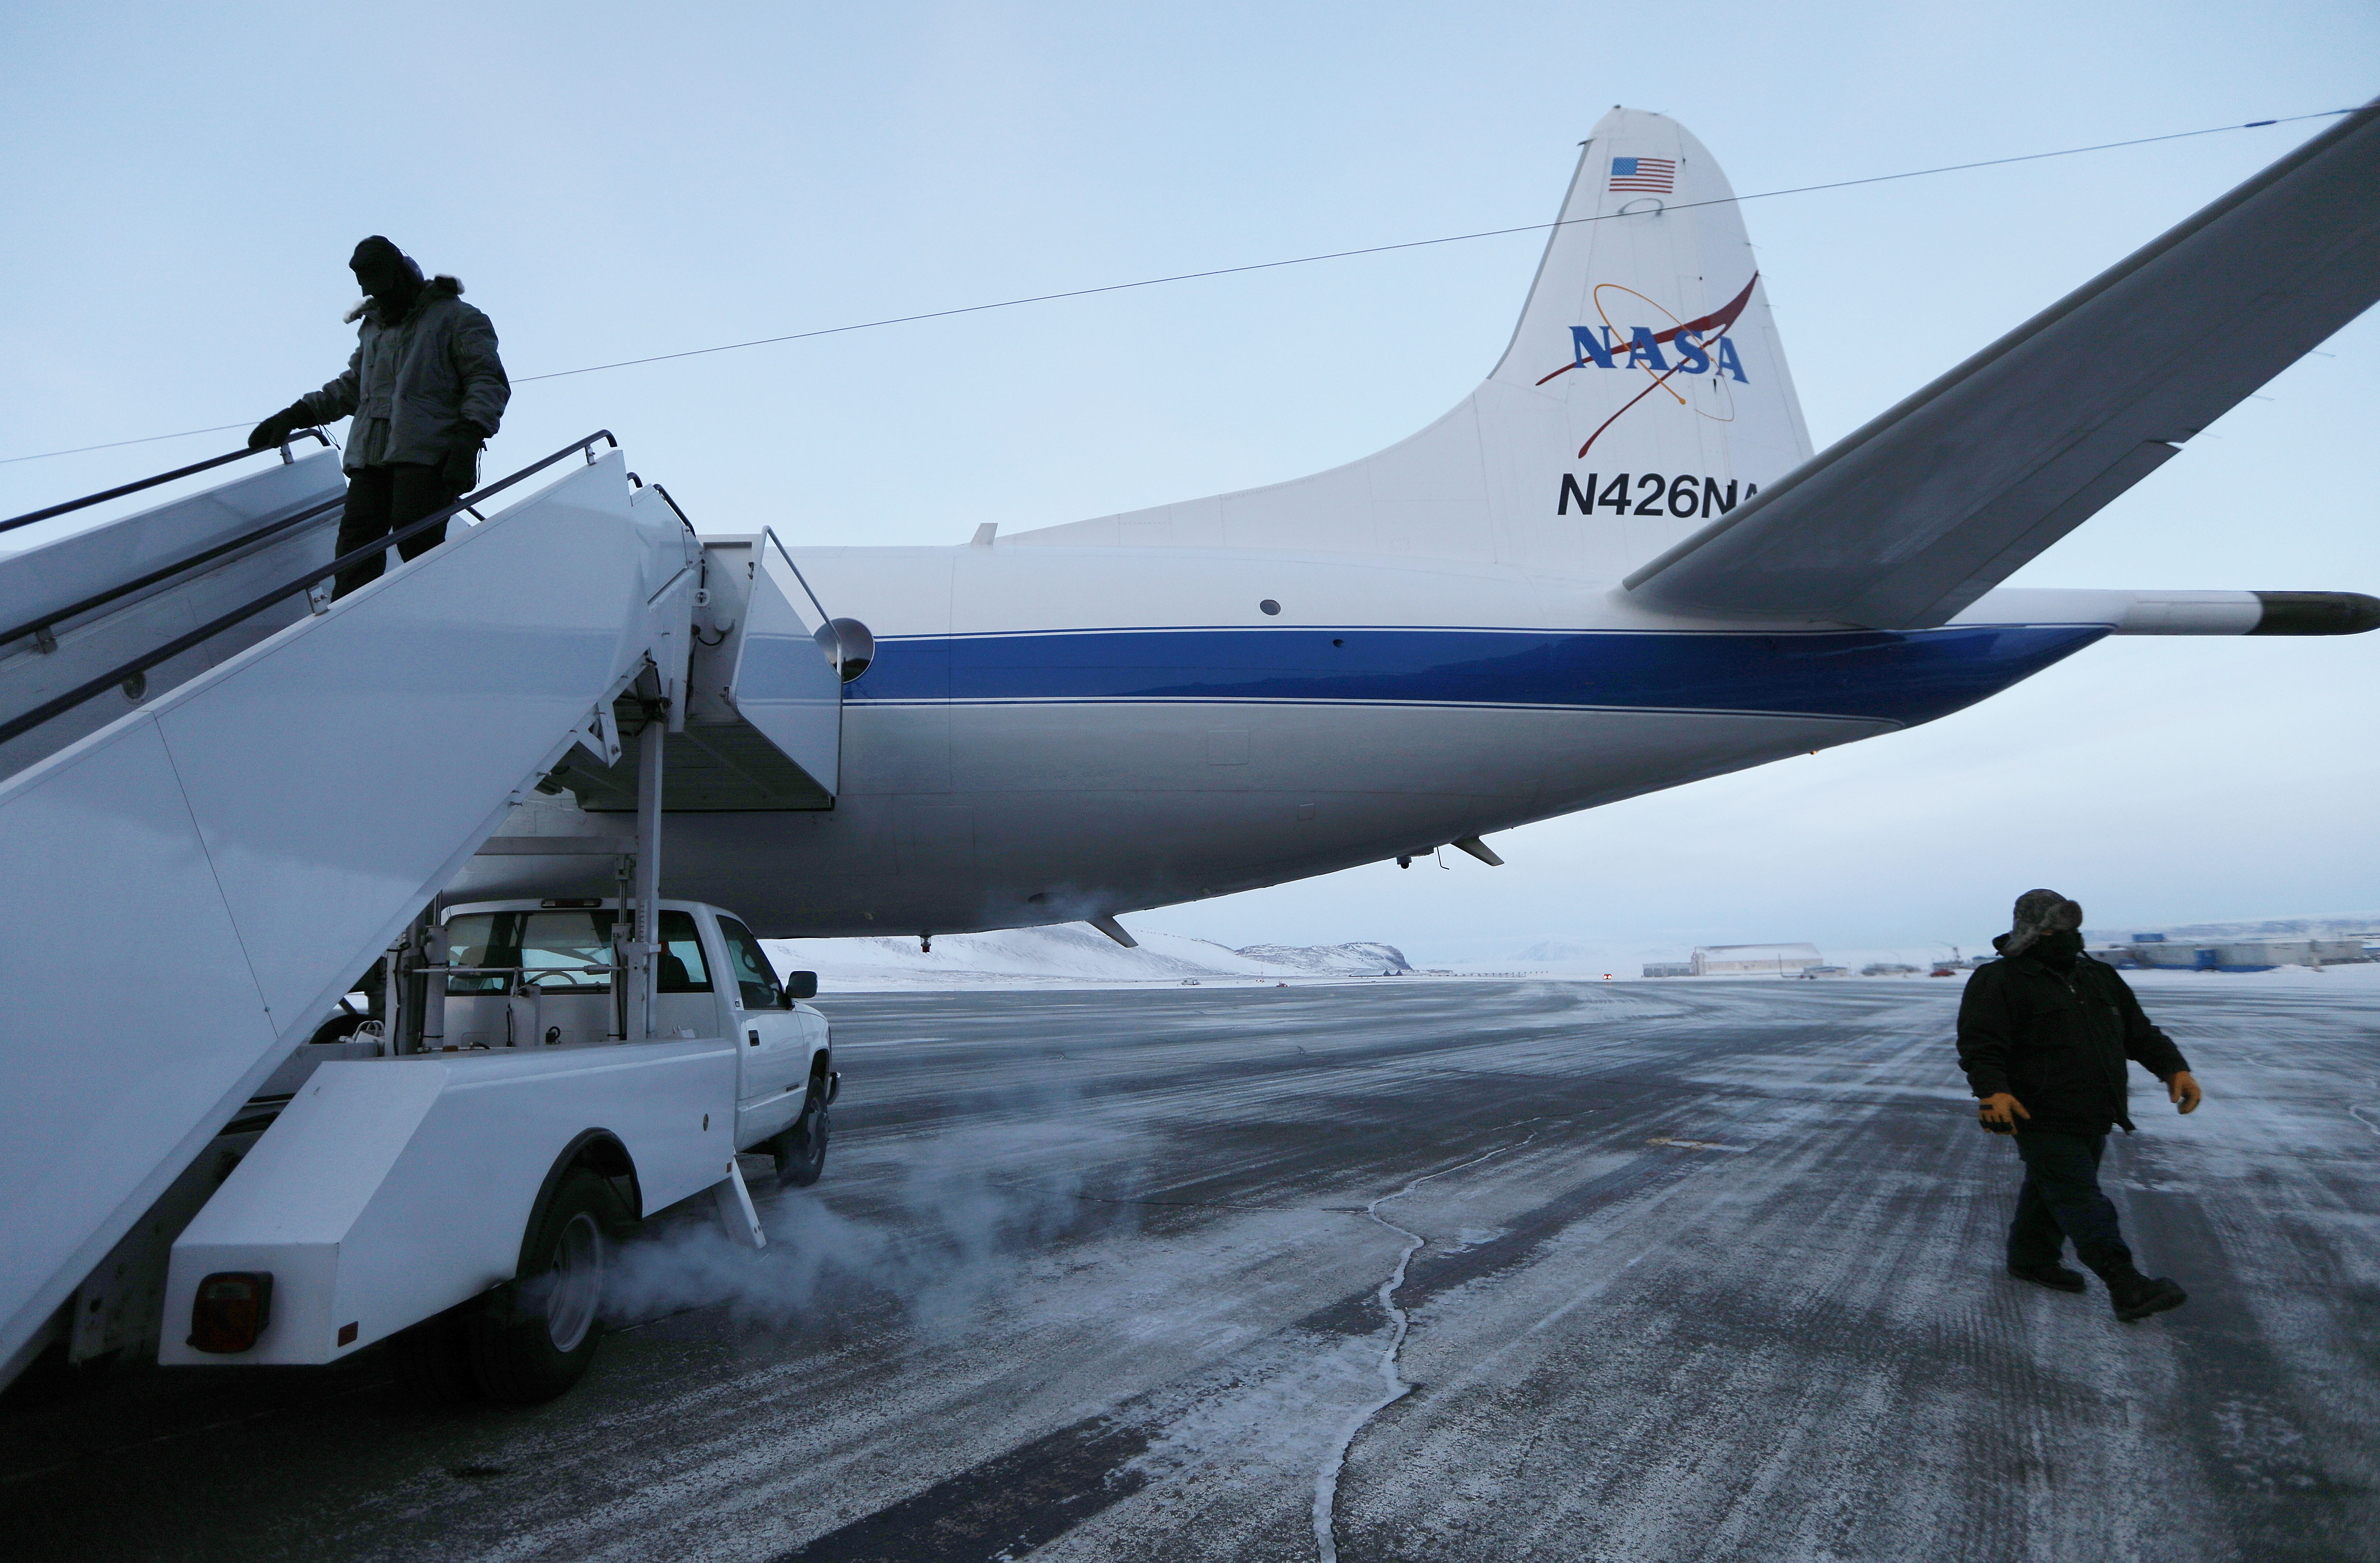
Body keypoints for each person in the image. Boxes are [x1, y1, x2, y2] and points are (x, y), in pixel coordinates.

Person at [1956, 889, 2202, 1322]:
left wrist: (2173, 1069)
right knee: (2079, 1197)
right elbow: (1981, 1045)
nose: (2064, 938)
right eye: (2052, 930)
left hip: (2094, 1109)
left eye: (2070, 930)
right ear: (2030, 931)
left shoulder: (2099, 977)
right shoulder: (2000, 981)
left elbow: (2139, 1033)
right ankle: (2125, 1284)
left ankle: (2030, 1259)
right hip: (2037, 1112)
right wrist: (1991, 1091)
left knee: (2051, 1186)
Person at [248, 236, 510, 598]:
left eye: (387, 289)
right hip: (372, 456)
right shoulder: (375, 328)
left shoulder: (456, 317)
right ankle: (346, 623)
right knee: (356, 547)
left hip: (428, 452)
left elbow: (487, 380)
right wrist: (296, 414)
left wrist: (467, 440)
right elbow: (353, 386)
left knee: (416, 535)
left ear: (404, 277)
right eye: (375, 293)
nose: (383, 299)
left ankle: (439, 614)